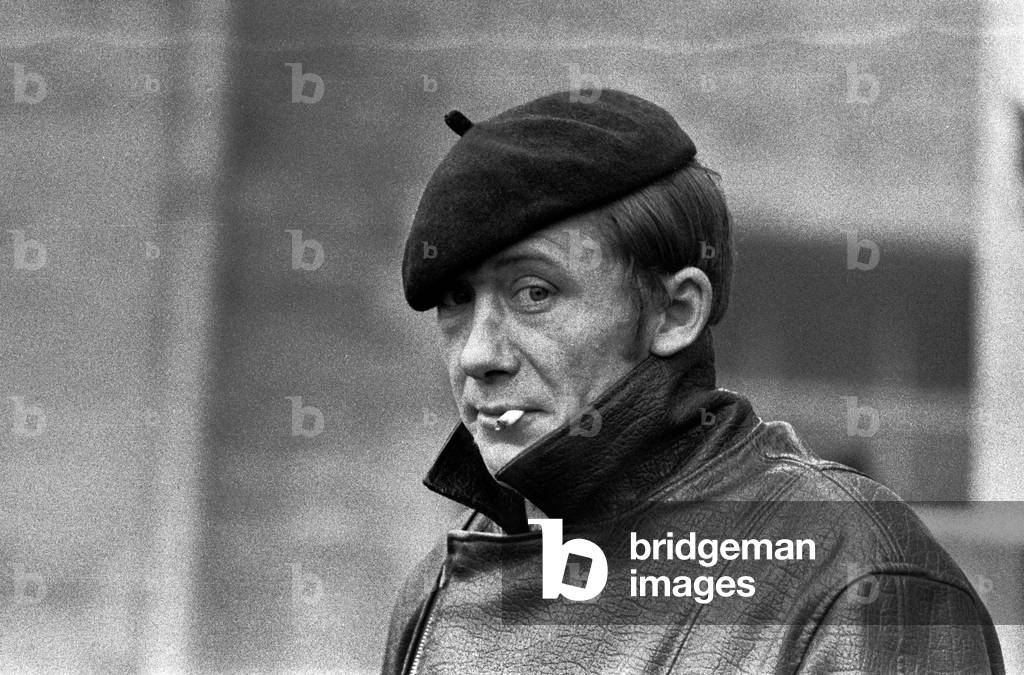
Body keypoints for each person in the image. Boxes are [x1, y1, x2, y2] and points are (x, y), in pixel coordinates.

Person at [383, 89, 1004, 674]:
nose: (477, 354)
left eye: (535, 292)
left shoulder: (859, 575)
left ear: (675, 313)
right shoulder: (438, 590)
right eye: (456, 300)